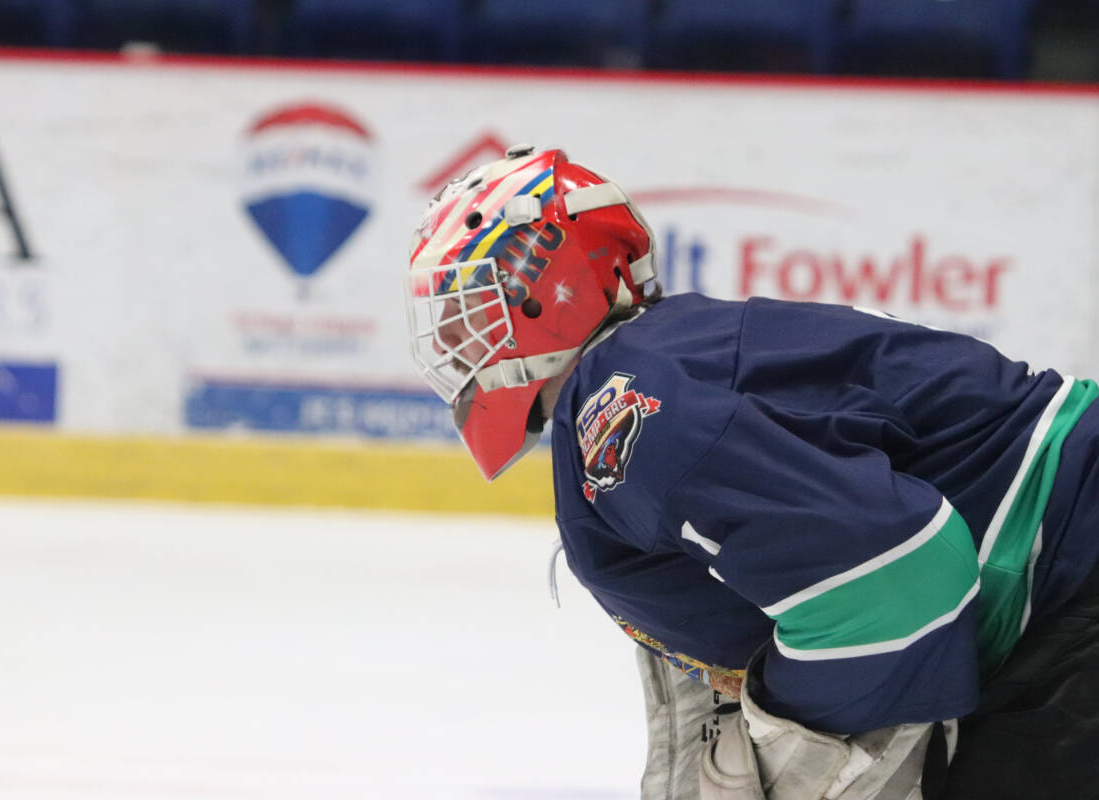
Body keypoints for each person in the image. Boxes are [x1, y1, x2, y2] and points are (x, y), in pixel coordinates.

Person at [404, 145, 1099, 799]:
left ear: (539, 290)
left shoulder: (624, 412)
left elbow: (901, 575)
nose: (452, 345)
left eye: (465, 310)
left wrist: (786, 747)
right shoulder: (652, 374)